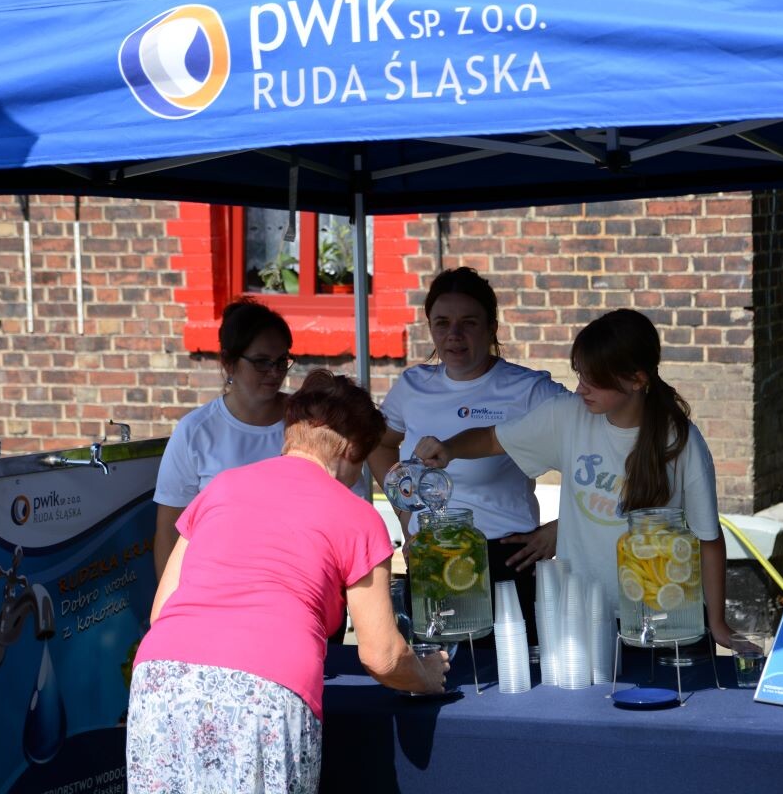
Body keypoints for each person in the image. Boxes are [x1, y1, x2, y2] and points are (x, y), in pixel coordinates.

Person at [127, 371, 449, 794]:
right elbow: (382, 655)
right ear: (352, 450)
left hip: (162, 682)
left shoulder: (222, 488)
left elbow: (162, 608)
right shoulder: (358, 517)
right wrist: (426, 676)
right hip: (262, 692)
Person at [415, 308, 733, 648]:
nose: (580, 389)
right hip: (584, 619)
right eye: (580, 375)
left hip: (663, 619)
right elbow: (494, 438)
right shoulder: (569, 416)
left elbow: (708, 539)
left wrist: (716, 622)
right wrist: (449, 448)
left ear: (638, 379)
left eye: (594, 379)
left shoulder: (682, 441)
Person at [369, 267, 566, 640]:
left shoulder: (528, 389)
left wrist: (564, 527)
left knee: (512, 683)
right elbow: (379, 443)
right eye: (441, 323)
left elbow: (598, 448)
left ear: (492, 327)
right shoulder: (413, 386)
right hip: (431, 556)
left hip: (505, 560)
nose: (453, 335)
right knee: (435, 680)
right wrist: (405, 514)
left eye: (468, 323)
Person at [152, 297, 293, 580]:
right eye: (262, 362)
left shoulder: (307, 421)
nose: (276, 372)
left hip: (295, 581)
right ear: (229, 362)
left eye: (281, 361)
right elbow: (169, 530)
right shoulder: (195, 431)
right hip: (215, 585)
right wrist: (170, 607)